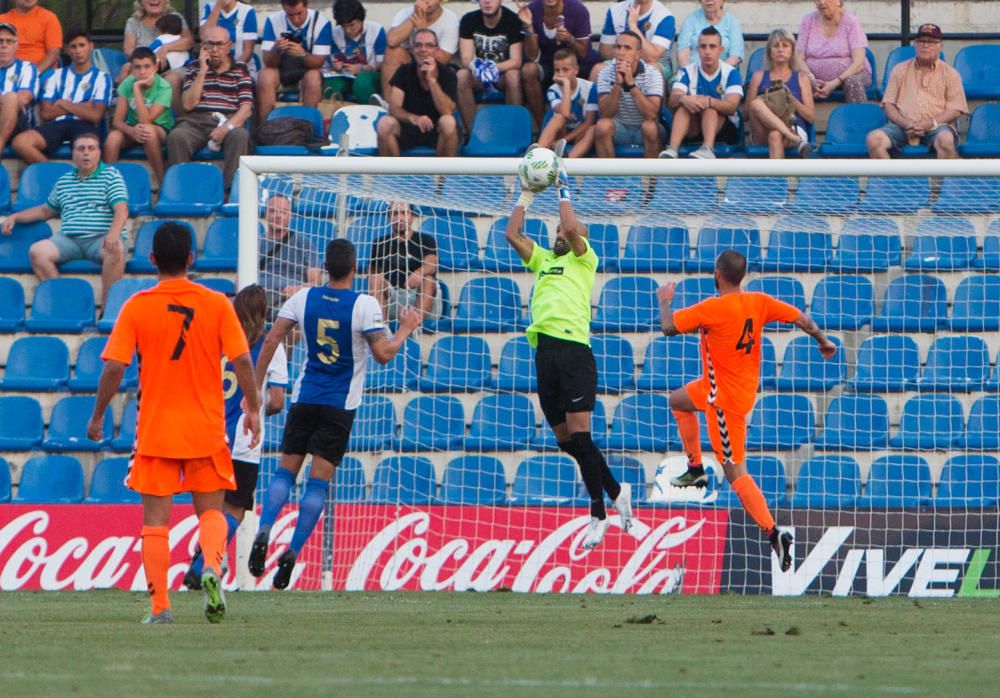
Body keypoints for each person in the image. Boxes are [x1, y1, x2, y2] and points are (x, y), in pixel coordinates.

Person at [86, 221, 262, 624]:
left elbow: (114, 366)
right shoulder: (216, 302)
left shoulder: (137, 306)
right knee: (212, 512)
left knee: (155, 523)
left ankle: (161, 607)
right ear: (191, 258)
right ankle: (213, 570)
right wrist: (252, 408)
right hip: (205, 426)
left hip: (157, 429)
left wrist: (98, 416)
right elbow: (242, 360)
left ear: (151, 261)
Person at [248, 239, 422, 590]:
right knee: (317, 483)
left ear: (326, 267)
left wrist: (255, 390)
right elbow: (383, 355)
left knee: (285, 472)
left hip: (306, 397)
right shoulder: (364, 305)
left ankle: (265, 527)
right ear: (354, 268)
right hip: (339, 406)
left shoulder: (304, 298)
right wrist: (405, 328)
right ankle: (292, 551)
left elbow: (270, 341)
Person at [656, 249, 837, 572]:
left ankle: (773, 533)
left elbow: (668, 328)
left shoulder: (712, 308)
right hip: (723, 387)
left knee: (736, 473)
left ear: (717, 274)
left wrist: (665, 298)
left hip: (723, 403)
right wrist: (823, 340)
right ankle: (696, 469)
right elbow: (801, 318)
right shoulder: (759, 302)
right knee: (677, 400)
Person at [505, 154, 636, 549]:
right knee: (566, 441)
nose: (561, 234)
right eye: (559, 233)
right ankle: (616, 491)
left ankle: (598, 512)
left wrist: (563, 187)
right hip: (544, 351)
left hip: (575, 351)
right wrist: (526, 195)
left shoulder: (585, 260)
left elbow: (572, 226)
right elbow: (512, 234)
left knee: (581, 436)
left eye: (567, 232)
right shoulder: (544, 260)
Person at [182, 284, 288, 592]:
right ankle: (203, 565)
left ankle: (209, 557)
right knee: (236, 509)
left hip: (209, 432)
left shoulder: (217, 340)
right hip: (244, 439)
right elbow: (278, 400)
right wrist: (257, 409)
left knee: (212, 508)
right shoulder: (271, 346)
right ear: (264, 313)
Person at [2, 132, 127, 312]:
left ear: (99, 153)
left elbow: (121, 209)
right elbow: (46, 210)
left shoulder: (111, 175)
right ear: (73, 154)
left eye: (91, 149)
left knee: (116, 249)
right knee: (38, 251)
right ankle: (63, 304)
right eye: (80, 149)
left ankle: (108, 311)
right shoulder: (65, 181)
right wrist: (15, 217)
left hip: (100, 239)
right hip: (69, 240)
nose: (86, 153)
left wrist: (114, 234)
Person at [167, 25, 252, 191]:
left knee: (240, 135)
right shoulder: (193, 68)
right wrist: (203, 71)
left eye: (219, 44)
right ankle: (181, 190)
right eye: (209, 44)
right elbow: (188, 104)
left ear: (229, 46)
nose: (214, 50)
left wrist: (226, 128)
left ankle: (231, 191)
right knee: (177, 136)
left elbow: (246, 108)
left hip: (227, 120)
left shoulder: (240, 69)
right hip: (195, 121)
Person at [866, 24, 967, 160]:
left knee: (946, 140)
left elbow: (955, 110)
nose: (925, 45)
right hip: (902, 127)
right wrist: (906, 123)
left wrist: (929, 123)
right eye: (921, 41)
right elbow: (888, 104)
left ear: (940, 46)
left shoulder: (951, 74)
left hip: (936, 127)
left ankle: (941, 182)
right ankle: (891, 181)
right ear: (915, 44)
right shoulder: (899, 69)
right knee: (874, 139)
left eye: (931, 42)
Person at [12, 30, 112, 164]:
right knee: (21, 143)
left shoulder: (102, 78)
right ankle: (55, 179)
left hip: (85, 126)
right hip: (57, 124)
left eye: (82, 45)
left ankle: (86, 184)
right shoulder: (55, 75)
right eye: (73, 46)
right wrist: (83, 106)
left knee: (88, 151)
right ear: (66, 50)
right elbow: (46, 113)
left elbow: (95, 115)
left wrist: (63, 103)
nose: (78, 51)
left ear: (91, 46)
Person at [659, 26, 741, 160]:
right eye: (703, 46)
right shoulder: (686, 71)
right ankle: (672, 150)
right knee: (683, 107)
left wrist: (709, 101)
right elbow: (673, 99)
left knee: (710, 109)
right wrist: (684, 99)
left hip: (723, 130)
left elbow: (732, 107)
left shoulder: (732, 73)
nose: (707, 51)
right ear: (697, 50)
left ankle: (707, 148)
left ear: (721, 50)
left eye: (712, 46)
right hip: (693, 127)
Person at [376, 28, 459, 157]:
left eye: (429, 45)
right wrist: (414, 118)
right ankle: (393, 175)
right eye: (418, 45)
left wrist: (432, 80)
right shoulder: (404, 71)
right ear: (412, 50)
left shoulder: (448, 74)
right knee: (384, 124)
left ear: (436, 50)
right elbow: (394, 108)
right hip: (409, 127)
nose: (423, 49)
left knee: (448, 122)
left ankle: (442, 176)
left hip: (437, 129)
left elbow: (447, 111)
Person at [518, 0, 596, 128]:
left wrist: (570, 39)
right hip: (550, 66)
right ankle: (543, 126)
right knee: (528, 70)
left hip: (578, 66)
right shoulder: (531, 10)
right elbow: (532, 55)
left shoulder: (578, 9)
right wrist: (529, 27)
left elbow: (584, 53)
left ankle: (584, 128)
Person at [104, 47, 175, 185]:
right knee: (112, 138)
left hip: (159, 128)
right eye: (137, 67)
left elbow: (147, 121)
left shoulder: (164, 87)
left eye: (147, 67)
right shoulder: (127, 83)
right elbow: (117, 121)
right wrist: (131, 131)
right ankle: (108, 186)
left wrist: (136, 89)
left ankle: (162, 184)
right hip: (133, 127)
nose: (142, 72)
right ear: (132, 68)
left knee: (147, 130)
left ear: (155, 67)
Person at [594, 30, 664, 159]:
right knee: (602, 126)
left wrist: (631, 84)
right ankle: (609, 178)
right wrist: (617, 84)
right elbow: (605, 113)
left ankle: (651, 178)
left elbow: (651, 114)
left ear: (638, 54)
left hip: (644, 129)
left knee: (649, 127)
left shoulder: (653, 74)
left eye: (627, 48)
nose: (621, 52)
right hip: (619, 128)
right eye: (618, 47)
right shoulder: (605, 73)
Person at [745, 28, 814, 159]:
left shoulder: (801, 78)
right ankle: (794, 139)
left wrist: (790, 98)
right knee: (755, 104)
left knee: (775, 135)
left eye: (785, 45)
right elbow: (747, 114)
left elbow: (811, 118)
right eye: (776, 46)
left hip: (794, 125)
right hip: (762, 130)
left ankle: (777, 179)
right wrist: (767, 100)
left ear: (792, 50)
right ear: (769, 51)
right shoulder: (758, 76)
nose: (780, 49)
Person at [368, 200, 442, 321]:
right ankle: (379, 328)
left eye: (404, 213)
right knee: (375, 278)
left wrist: (419, 273)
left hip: (420, 299)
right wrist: (381, 283)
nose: (400, 218)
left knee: (428, 279)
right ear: (389, 218)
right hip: (393, 299)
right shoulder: (379, 243)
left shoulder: (426, 240)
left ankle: (415, 326)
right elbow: (372, 272)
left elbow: (432, 265)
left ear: (412, 216)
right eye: (395, 214)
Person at [258, 0, 333, 120]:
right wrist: (276, 49)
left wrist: (303, 54)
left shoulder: (321, 23)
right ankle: (265, 128)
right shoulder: (273, 21)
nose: (296, 19)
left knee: (313, 77)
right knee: (266, 76)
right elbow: (268, 62)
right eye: (290, 15)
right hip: (280, 69)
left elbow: (318, 62)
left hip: (307, 70)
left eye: (299, 13)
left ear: (307, 4)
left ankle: (309, 127)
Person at [456, 0, 523, 132]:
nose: (487, 2)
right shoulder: (469, 19)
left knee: (513, 76)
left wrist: (493, 68)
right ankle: (472, 133)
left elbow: (516, 61)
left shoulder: (512, 19)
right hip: (479, 74)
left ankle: (512, 132)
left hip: (503, 74)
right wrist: (476, 66)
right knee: (462, 76)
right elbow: (465, 58)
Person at [258, 193, 324, 316]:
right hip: (257, 297)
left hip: (288, 298)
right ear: (266, 214)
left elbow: (316, 282)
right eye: (273, 211)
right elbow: (240, 279)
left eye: (283, 212)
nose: (278, 216)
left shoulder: (303, 243)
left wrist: (298, 289)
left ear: (290, 215)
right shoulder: (254, 243)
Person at [380, 0, 459, 100]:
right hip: (410, 63)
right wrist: (414, 16)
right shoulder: (405, 13)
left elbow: (443, 59)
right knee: (393, 52)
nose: (426, 1)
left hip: (435, 67)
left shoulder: (451, 20)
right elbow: (391, 41)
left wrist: (423, 29)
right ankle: (389, 104)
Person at [797, 0, 871, 103]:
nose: (822, 2)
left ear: (838, 1)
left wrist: (835, 82)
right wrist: (810, 78)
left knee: (852, 82)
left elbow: (859, 63)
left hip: (852, 75)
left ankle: (859, 118)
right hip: (814, 78)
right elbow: (799, 58)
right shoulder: (808, 20)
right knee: (795, 81)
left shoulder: (851, 21)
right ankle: (797, 119)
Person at [122, 0, 195, 97]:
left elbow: (189, 41)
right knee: (128, 68)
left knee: (172, 78)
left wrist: (165, 48)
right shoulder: (133, 22)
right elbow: (128, 49)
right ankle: (130, 109)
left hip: (176, 66)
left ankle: (174, 112)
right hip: (146, 63)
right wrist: (146, 61)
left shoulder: (175, 17)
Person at [534, 48, 596, 158]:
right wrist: (566, 85)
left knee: (592, 130)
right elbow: (565, 113)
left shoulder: (590, 88)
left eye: (565, 70)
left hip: (578, 134)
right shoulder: (553, 90)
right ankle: (536, 157)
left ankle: (568, 161)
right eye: (557, 70)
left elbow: (589, 122)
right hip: (559, 132)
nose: (560, 74)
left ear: (576, 70)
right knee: (559, 117)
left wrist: (563, 140)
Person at [594, 0, 675, 82]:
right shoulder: (615, 10)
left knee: (654, 70)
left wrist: (633, 26)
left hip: (656, 64)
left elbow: (652, 57)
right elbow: (605, 53)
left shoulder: (665, 16)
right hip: (619, 60)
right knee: (597, 69)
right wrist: (627, 59)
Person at [325, 0, 386, 107]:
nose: (348, 30)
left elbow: (382, 65)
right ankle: (336, 117)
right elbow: (331, 60)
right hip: (346, 76)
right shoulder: (335, 34)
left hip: (371, 75)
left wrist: (362, 68)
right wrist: (335, 66)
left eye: (352, 25)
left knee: (361, 82)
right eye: (344, 26)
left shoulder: (376, 30)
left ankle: (371, 114)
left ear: (361, 19)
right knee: (331, 85)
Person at [0, 22, 38, 156]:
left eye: (9, 41)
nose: (4, 45)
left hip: (18, 124)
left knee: (11, 97)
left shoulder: (27, 68)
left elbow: (23, 99)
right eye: (0, 41)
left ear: (16, 46)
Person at [200, 0, 261, 80]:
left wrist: (231, 71)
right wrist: (217, 7)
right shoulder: (210, 8)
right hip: (212, 66)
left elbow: (247, 51)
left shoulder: (247, 11)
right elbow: (203, 36)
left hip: (240, 65)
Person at [675, 0, 744, 68]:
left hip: (724, 74)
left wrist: (718, 73)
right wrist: (690, 74)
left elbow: (735, 55)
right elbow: (682, 52)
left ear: (722, 1)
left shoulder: (732, 22)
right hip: (693, 73)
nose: (709, 0)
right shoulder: (690, 20)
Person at [0, 0, 62, 74]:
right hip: (7, 72)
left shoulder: (49, 18)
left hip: (42, 74)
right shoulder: (3, 20)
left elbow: (53, 53)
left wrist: (34, 73)